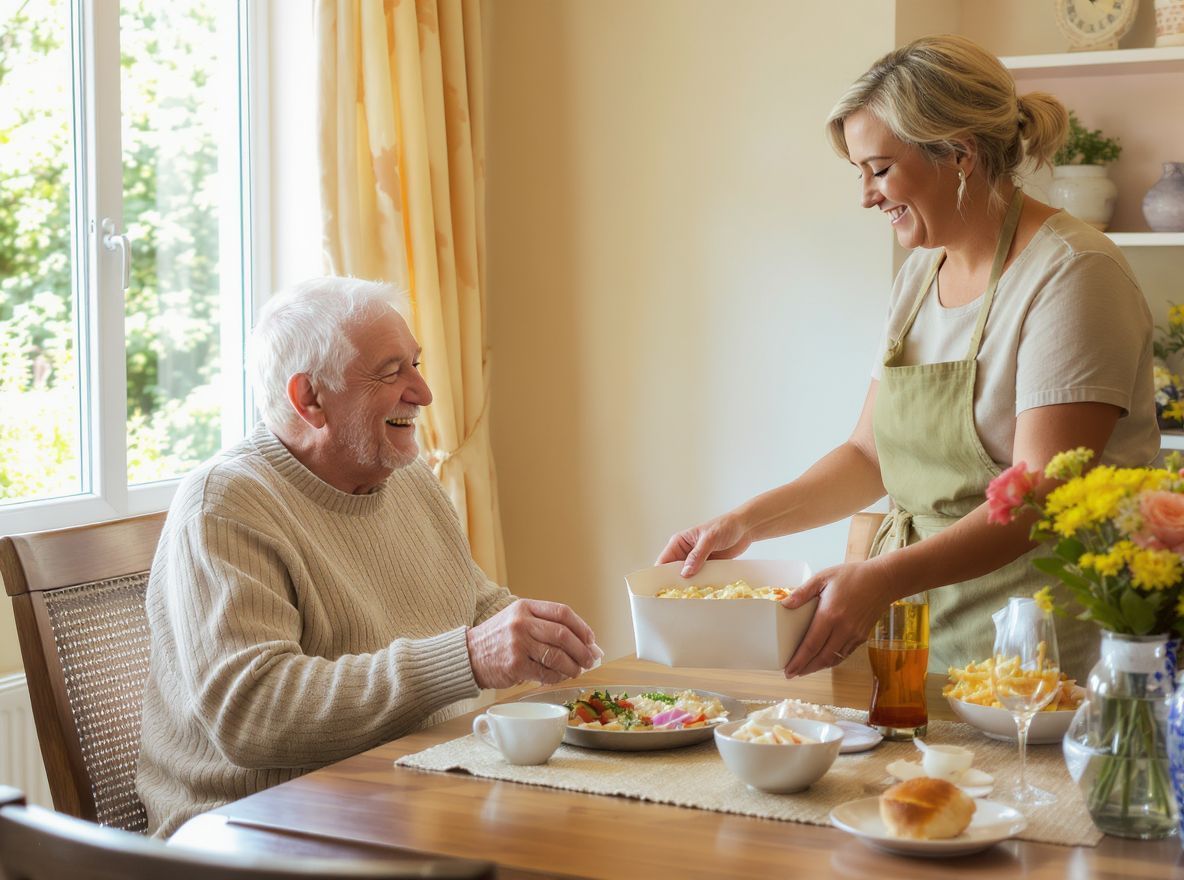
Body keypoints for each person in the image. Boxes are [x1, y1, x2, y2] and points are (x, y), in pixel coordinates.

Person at [657, 35, 1158, 683]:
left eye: (880, 168)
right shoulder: (921, 275)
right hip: (919, 630)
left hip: (1039, 647)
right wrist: (740, 524)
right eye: (859, 173)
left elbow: (1038, 498)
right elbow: (868, 457)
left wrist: (879, 577)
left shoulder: (1072, 275)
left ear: (958, 155)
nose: (866, 195)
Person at [136, 276, 600, 837]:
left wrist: (535, 635)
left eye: (416, 363)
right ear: (308, 398)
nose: (424, 393)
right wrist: (470, 655)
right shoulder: (227, 503)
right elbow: (253, 713)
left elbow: (472, 603)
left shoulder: (403, 476)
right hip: (258, 827)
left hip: (404, 793)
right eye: (391, 371)